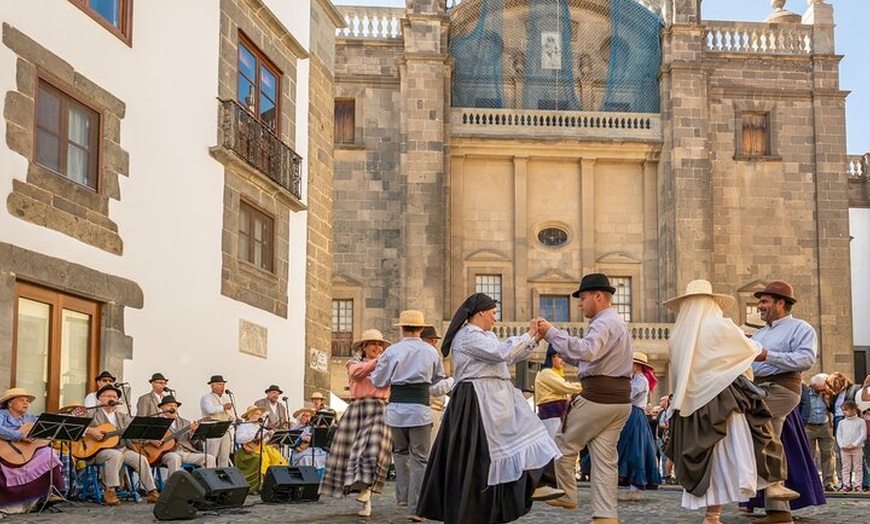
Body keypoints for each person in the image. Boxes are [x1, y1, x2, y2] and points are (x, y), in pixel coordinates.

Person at [417, 293, 562, 524]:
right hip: (477, 399)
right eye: (494, 313)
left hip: (497, 397)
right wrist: (528, 333)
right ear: (482, 312)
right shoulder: (467, 336)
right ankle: (473, 508)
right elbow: (501, 353)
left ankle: (537, 483)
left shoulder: (487, 336)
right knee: (479, 457)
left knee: (531, 433)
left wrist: (534, 338)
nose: (496, 318)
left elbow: (508, 358)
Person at [663, 280, 797, 524]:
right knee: (758, 434)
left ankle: (712, 515)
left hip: (694, 405)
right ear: (711, 302)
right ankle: (772, 483)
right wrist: (755, 346)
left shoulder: (678, 335)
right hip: (725, 399)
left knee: (711, 459)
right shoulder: (719, 325)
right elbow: (747, 349)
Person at [535, 273, 633, 522]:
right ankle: (605, 516)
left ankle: (567, 493)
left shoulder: (603, 323)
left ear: (598, 296)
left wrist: (551, 333)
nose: (579, 304)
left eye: (583, 298)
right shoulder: (616, 322)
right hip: (620, 400)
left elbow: (588, 351)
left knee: (563, 444)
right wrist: (562, 346)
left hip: (598, 398)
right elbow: (588, 357)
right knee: (604, 459)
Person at [370, 309, 450, 521]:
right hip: (420, 410)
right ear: (421, 329)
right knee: (420, 458)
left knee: (400, 452)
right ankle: (417, 507)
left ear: (402, 329)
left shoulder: (392, 351)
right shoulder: (432, 352)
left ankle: (403, 495)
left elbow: (378, 381)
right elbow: (437, 379)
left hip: (396, 410)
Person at [751, 280, 818, 524]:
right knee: (770, 438)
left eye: (764, 301)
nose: (759, 306)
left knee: (752, 422)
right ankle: (778, 512)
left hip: (782, 388)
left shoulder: (801, 328)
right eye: (760, 301)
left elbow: (806, 359)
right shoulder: (760, 333)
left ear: (781, 303)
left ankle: (775, 485)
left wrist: (768, 355)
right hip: (760, 387)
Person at [320, 328, 393, 517]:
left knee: (374, 448)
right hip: (358, 409)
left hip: (379, 408)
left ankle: (366, 488)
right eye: (373, 344)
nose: (377, 347)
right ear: (364, 347)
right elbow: (356, 373)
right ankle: (365, 499)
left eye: (379, 345)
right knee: (353, 453)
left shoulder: (387, 366)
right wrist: (378, 361)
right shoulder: (353, 363)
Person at [83, 384, 160, 505]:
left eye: (114, 396)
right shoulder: (91, 413)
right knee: (114, 455)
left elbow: (135, 435)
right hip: (98, 451)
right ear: (100, 398)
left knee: (140, 459)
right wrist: (90, 430)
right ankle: (110, 491)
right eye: (108, 396)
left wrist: (144, 433)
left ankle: (152, 492)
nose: (112, 398)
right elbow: (76, 426)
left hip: (123, 448)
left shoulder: (123, 417)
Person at [0, 388, 64, 514]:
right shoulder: (2, 414)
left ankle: (49, 494)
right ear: (9, 402)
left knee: (49, 453)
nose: (26, 403)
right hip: (6, 452)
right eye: (21, 400)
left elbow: (42, 433)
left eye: (27, 401)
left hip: (26, 453)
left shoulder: (30, 418)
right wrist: (19, 436)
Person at [615, 352, 662, 499]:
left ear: (637, 365)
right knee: (629, 448)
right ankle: (632, 485)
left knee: (636, 449)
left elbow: (628, 395)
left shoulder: (641, 380)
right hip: (630, 414)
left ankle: (636, 487)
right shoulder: (635, 379)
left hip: (635, 415)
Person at [153, 396, 212, 475]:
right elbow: (148, 438)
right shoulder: (157, 423)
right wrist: (153, 441)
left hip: (186, 452)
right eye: (170, 405)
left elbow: (194, 443)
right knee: (174, 458)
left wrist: (193, 432)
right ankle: (174, 486)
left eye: (175, 406)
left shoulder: (185, 422)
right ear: (162, 408)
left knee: (209, 458)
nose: (173, 408)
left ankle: (205, 485)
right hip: (168, 453)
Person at [234, 405, 287, 492]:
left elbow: (265, 440)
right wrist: (255, 436)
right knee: (263, 459)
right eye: (256, 414)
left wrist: (270, 435)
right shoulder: (244, 426)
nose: (258, 416)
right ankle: (261, 484)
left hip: (264, 448)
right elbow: (239, 439)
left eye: (259, 414)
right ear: (249, 415)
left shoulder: (260, 427)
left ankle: (279, 482)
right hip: (249, 451)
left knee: (278, 457)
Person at [534, 346, 582, 439]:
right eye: (560, 357)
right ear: (552, 357)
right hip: (551, 417)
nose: (563, 361)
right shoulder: (545, 373)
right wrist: (585, 386)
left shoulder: (554, 374)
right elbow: (565, 387)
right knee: (556, 446)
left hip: (559, 416)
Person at [421, 325, 454, 441]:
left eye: (435, 341)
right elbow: (434, 389)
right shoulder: (425, 358)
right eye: (431, 341)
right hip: (429, 408)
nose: (435, 345)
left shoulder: (432, 357)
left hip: (434, 410)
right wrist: (452, 381)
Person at [805, 373, 836, 490]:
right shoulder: (806, 394)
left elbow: (834, 408)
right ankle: (811, 482)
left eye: (824, 388)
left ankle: (828, 482)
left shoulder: (829, 394)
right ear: (813, 386)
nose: (822, 390)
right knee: (809, 454)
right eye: (819, 389)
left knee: (828, 453)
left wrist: (828, 401)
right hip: (809, 426)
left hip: (824, 425)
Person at [199, 375, 233, 467]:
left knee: (224, 456)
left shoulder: (225, 399)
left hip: (225, 428)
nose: (222, 387)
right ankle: (209, 476)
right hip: (213, 427)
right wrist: (223, 407)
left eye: (223, 385)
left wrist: (233, 418)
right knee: (211, 456)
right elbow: (210, 410)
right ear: (212, 386)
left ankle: (223, 476)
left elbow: (228, 414)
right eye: (219, 385)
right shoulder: (206, 398)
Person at [836, 400, 865, 491]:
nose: (844, 412)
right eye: (843, 410)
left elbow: (862, 435)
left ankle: (858, 484)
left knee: (858, 467)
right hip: (845, 449)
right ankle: (846, 484)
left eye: (846, 410)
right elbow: (839, 435)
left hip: (857, 448)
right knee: (845, 467)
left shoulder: (861, 421)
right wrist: (842, 445)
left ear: (854, 410)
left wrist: (854, 445)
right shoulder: (842, 422)